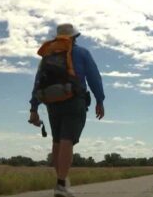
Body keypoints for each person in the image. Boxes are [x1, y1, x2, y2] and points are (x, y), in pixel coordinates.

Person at [28, 23, 105, 197]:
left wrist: (34, 107)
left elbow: (38, 82)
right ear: (74, 37)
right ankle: (61, 184)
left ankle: (61, 181)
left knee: (57, 141)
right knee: (67, 141)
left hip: (52, 103)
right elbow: (94, 77)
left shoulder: (47, 56)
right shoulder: (82, 53)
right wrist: (99, 100)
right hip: (73, 100)